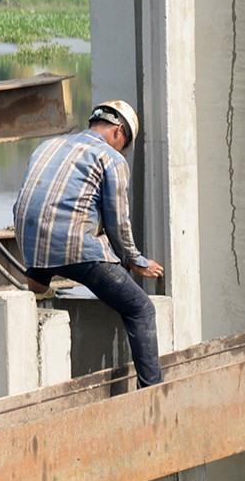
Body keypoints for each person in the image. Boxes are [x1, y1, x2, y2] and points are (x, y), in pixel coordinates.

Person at [13, 99, 164, 387]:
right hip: (78, 252)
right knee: (141, 308)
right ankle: (153, 391)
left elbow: (26, 202)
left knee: (45, 279)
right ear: (118, 132)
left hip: (33, 251)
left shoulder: (48, 146)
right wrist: (134, 260)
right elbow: (118, 222)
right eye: (124, 144)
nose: (122, 150)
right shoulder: (110, 158)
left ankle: (38, 284)